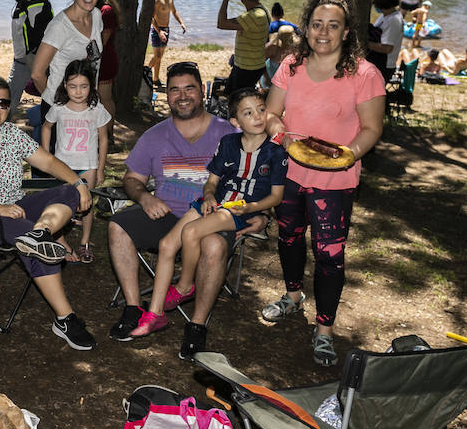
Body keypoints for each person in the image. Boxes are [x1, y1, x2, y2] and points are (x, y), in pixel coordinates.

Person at [262, 0, 385, 366]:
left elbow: (371, 128)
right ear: (306, 27)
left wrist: (347, 156)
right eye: (317, 24)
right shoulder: (290, 66)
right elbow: (271, 113)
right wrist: (280, 133)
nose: (323, 33)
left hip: (336, 181)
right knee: (289, 237)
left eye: (333, 26)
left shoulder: (364, 74)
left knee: (329, 256)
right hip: (290, 174)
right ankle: (293, 295)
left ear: (346, 32)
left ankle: (325, 330)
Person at [0, 75, 98, 350]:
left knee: (67, 192)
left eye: (2, 103)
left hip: (15, 210)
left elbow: (47, 161)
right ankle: (65, 318)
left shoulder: (12, 134)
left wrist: (79, 182)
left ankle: (40, 233)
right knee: (36, 244)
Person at [130, 87, 287, 359]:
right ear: (236, 122)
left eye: (261, 109)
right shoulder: (228, 143)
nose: (258, 116)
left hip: (242, 210)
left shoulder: (275, 153)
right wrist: (210, 197)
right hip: (217, 202)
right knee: (168, 243)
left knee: (191, 232)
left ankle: (184, 287)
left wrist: (253, 208)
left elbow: (276, 196)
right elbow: (212, 181)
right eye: (248, 113)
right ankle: (155, 314)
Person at [106, 62, 235, 354]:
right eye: (174, 90)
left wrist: (257, 216)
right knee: (117, 226)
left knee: (214, 246)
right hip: (166, 214)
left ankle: (197, 325)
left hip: (209, 220)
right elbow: (132, 179)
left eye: (189, 87)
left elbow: (248, 179)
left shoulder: (228, 135)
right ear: (167, 96)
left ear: (202, 91)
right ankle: (133, 309)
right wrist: (145, 198)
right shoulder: (154, 135)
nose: (182, 95)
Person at [43, 59, 111, 263]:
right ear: (65, 85)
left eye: (84, 86)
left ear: (91, 86)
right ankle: (60, 241)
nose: (78, 92)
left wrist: (100, 168)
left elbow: (104, 138)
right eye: (73, 86)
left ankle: (85, 242)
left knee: (87, 205)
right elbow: (46, 127)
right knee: (61, 205)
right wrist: (47, 157)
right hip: (63, 167)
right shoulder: (59, 107)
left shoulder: (96, 109)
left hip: (87, 166)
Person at [32, 0, 103, 116]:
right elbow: (37, 74)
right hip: (61, 111)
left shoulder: (97, 16)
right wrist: (59, 105)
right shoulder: (59, 27)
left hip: (87, 106)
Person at [8, 0, 53, 114]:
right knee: (12, 90)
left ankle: (55, 119)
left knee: (45, 89)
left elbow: (40, 26)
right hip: (24, 55)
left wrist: (34, 51)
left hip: (31, 56)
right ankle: (3, 123)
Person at [216, 0, 269, 90]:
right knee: (232, 93)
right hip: (252, 64)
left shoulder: (254, 16)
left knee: (238, 100)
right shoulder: (262, 10)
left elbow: (221, 23)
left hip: (247, 68)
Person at [147, 0, 187, 83]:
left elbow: (174, 11)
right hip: (157, 30)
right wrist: (159, 32)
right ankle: (144, 72)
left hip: (166, 29)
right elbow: (151, 17)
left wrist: (181, 23)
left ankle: (155, 79)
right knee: (157, 56)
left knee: (160, 57)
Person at [369, 0, 404, 80]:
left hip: (384, 66)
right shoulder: (385, 16)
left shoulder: (394, 20)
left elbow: (387, 48)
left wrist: (364, 43)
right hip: (378, 62)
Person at [97, 0, 121, 119]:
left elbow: (102, 41)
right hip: (98, 60)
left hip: (105, 60)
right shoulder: (96, 9)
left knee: (105, 99)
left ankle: (109, 134)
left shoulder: (106, 11)